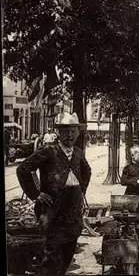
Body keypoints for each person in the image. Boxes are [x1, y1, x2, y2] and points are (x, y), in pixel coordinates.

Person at [16, 112, 92, 275]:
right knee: (51, 256)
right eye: (65, 131)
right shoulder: (48, 150)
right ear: (57, 132)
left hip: (73, 210)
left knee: (69, 249)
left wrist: (81, 191)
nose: (70, 135)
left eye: (73, 131)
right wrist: (36, 194)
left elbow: (87, 171)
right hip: (52, 210)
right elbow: (23, 169)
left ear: (78, 133)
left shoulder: (78, 152)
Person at [121, 145, 139, 225]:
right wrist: (136, 181)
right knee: (131, 216)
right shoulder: (128, 168)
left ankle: (138, 234)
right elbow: (123, 181)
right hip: (131, 195)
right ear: (133, 156)